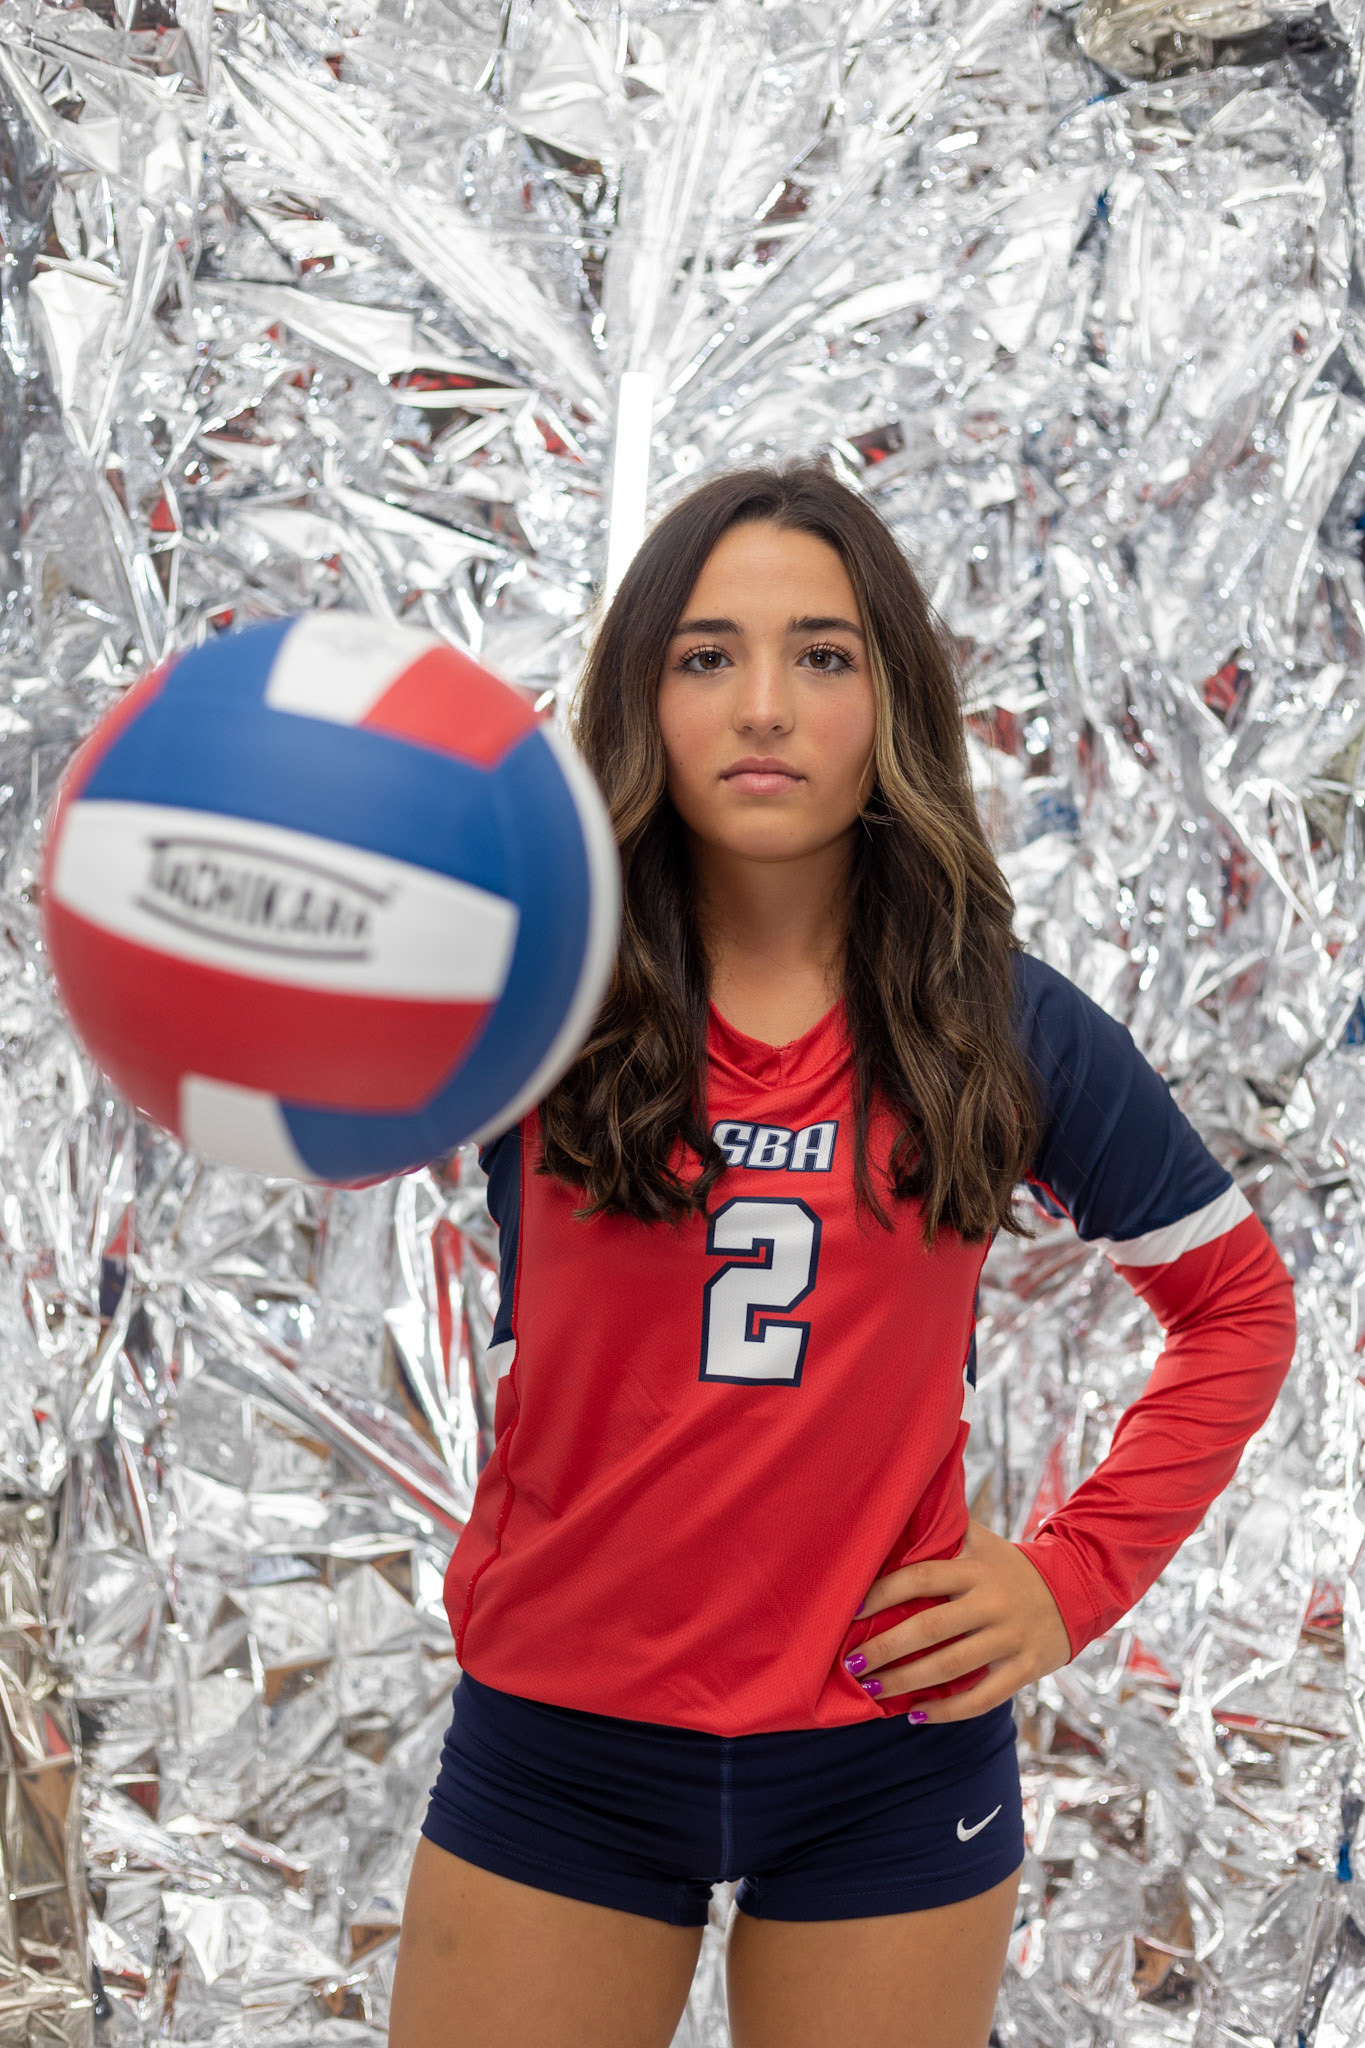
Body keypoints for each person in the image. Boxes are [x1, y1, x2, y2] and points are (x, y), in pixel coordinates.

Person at [387, 464, 1297, 2048]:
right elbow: (286, 1045)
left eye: (820, 654)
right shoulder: (528, 980)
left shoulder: (996, 1017)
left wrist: (1068, 1581)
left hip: (889, 1756)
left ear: (890, 700)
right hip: (563, 1744)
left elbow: (1235, 1310)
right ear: (639, 698)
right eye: (702, 653)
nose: (760, 704)